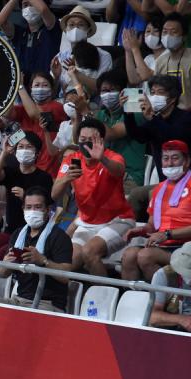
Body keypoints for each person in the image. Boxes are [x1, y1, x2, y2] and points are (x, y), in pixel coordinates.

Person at [52, 118, 134, 276]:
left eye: (92, 140)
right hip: (86, 223)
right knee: (68, 261)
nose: (86, 144)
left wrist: (101, 158)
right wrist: (66, 179)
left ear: (101, 140)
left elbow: (119, 171)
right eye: (82, 140)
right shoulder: (71, 160)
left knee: (89, 252)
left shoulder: (113, 157)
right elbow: (54, 194)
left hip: (118, 220)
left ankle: (106, 296)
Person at [121, 140, 191, 281]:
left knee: (145, 256)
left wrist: (167, 234)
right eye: (165, 158)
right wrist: (141, 230)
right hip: (165, 245)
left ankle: (167, 300)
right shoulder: (158, 189)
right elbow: (152, 225)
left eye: (175, 158)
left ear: (187, 161)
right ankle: (137, 299)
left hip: (190, 247)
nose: (169, 163)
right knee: (129, 255)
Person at [122, 74, 191, 220]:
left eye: (159, 92)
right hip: (166, 182)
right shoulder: (156, 119)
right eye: (152, 92)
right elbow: (139, 136)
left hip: (190, 183)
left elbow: (174, 138)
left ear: (172, 98)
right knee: (136, 195)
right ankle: (133, 232)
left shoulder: (187, 118)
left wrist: (152, 118)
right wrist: (128, 115)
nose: (153, 96)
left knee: (154, 194)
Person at [0, 186, 73, 312]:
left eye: (38, 207)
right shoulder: (18, 234)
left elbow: (66, 276)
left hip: (47, 304)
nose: (32, 211)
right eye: (28, 207)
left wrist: (43, 261)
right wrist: (7, 263)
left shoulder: (60, 237)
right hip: (18, 300)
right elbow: (3, 273)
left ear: (48, 210)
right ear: (23, 209)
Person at [0, 131, 52, 253]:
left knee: (4, 251)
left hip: (32, 230)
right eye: (21, 146)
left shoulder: (44, 177)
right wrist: (4, 153)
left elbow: (47, 205)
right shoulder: (11, 172)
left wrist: (25, 196)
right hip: (11, 229)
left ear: (37, 153)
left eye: (29, 147)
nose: (24, 150)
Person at [95, 69, 147, 193]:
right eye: (104, 91)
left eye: (112, 90)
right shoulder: (101, 114)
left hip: (129, 175)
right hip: (105, 171)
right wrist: (78, 115)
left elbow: (111, 133)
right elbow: (78, 138)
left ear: (123, 92)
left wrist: (86, 112)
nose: (108, 94)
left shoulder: (135, 111)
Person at [6, 71, 66, 177]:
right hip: (26, 167)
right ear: (31, 89)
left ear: (52, 90)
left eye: (45, 85)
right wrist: (12, 89)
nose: (40, 88)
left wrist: (20, 86)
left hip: (48, 168)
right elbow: (7, 114)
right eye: (37, 85)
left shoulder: (57, 107)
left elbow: (34, 114)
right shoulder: (24, 108)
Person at [149, 13, 191, 111]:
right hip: (164, 112)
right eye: (165, 32)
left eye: (173, 32)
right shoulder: (160, 61)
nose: (168, 36)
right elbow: (154, 91)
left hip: (189, 112)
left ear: (184, 36)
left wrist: (187, 111)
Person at [50, 6, 113, 95]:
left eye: (80, 25)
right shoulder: (59, 57)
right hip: (63, 104)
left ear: (89, 30)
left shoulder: (103, 56)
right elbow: (51, 94)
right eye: (71, 25)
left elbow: (103, 88)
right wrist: (56, 77)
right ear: (66, 30)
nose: (75, 29)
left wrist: (77, 74)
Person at [0, 0, 60, 78]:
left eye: (32, 5)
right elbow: (0, 21)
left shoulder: (52, 28)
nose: (29, 8)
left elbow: (43, 9)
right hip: (22, 86)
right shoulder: (19, 33)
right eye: (25, 5)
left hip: (46, 85)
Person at [121, 19, 166, 86]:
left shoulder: (168, 56)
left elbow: (146, 76)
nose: (151, 34)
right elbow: (134, 80)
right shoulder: (149, 58)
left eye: (156, 31)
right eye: (148, 31)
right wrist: (128, 51)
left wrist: (135, 48)